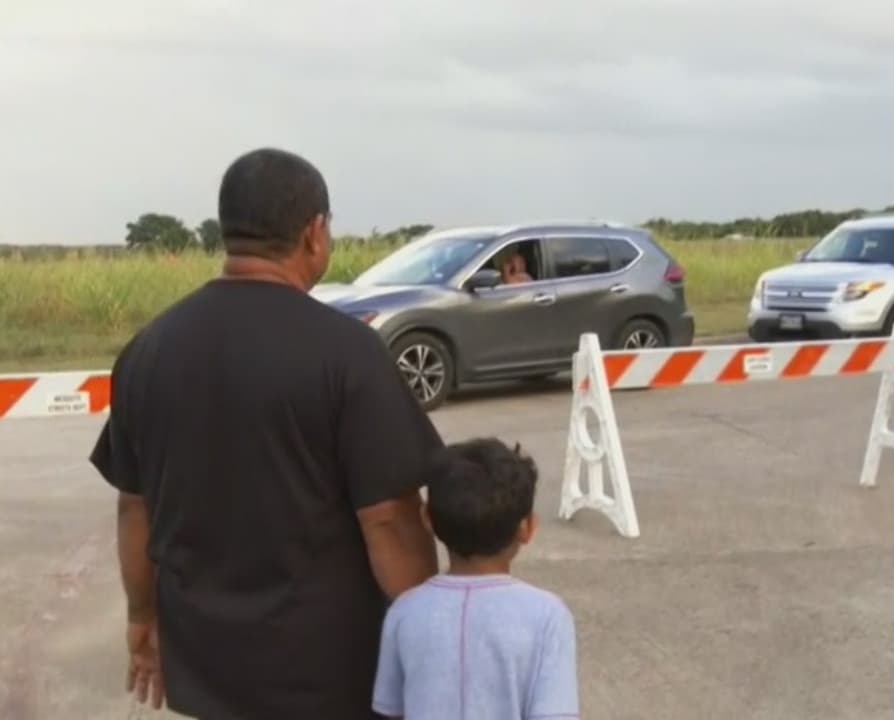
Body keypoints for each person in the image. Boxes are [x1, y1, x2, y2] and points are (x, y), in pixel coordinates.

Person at [89, 147, 444, 719]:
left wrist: (141, 615)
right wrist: (429, 644)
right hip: (329, 674)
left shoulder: (148, 350)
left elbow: (135, 509)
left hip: (205, 668)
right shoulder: (347, 353)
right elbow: (390, 520)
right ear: (315, 233)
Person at [372, 438, 579, 720]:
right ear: (528, 528)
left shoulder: (403, 612)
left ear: (427, 519)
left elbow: (393, 709)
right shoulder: (547, 616)